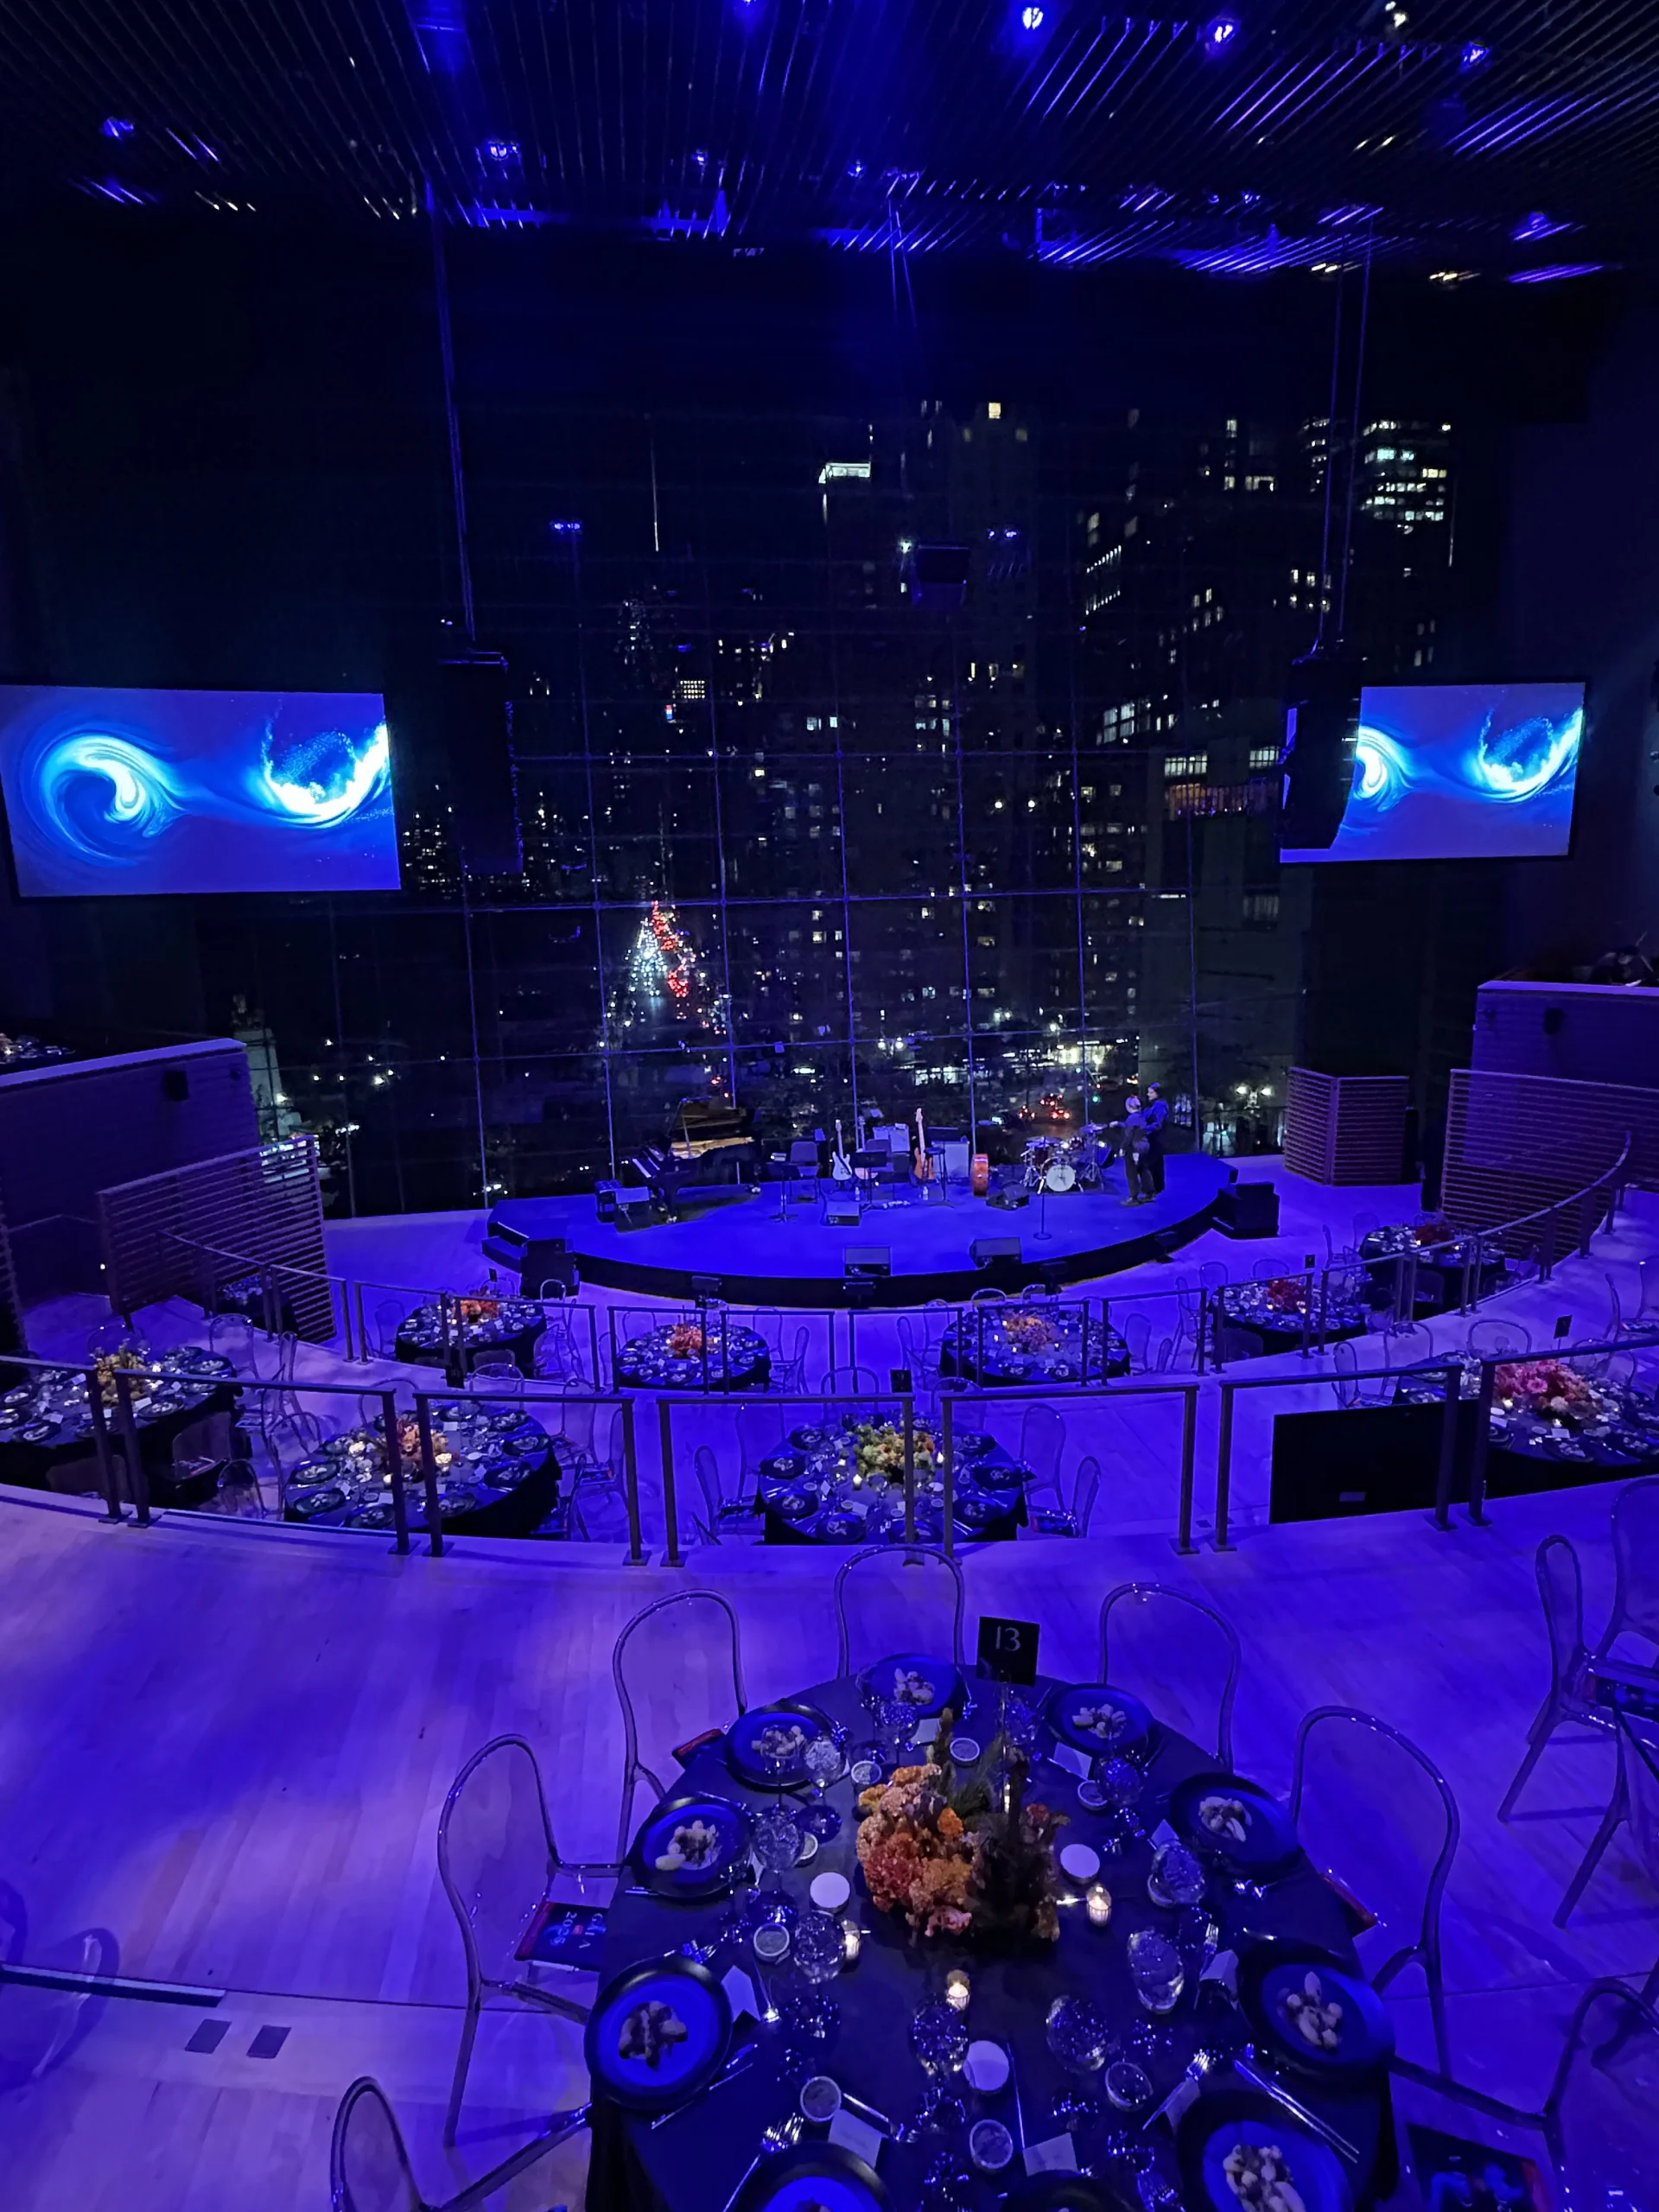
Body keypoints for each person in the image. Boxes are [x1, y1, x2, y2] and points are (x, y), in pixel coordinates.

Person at [1121, 1094, 1152, 1205]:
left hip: (1134, 1148)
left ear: (1128, 1107)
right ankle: (1149, 1193)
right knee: (1143, 1170)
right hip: (1144, 1146)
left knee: (1131, 1173)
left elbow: (1129, 1136)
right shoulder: (1141, 1117)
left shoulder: (1131, 1119)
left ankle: (1133, 1198)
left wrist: (1123, 1147)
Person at [1142, 1083, 1169, 1195]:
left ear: (1157, 1093)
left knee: (1154, 1163)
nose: (1148, 1094)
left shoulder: (1160, 1106)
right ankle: (1155, 1187)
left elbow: (1158, 1124)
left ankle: (1156, 1188)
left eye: (1151, 1092)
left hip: (1156, 1138)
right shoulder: (1155, 1105)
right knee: (1153, 1162)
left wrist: (1144, 1129)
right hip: (1153, 1137)